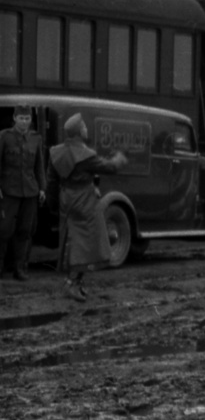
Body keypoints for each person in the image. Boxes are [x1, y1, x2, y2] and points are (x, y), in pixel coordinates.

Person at [48, 114, 127, 302]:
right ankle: (72, 283)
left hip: (67, 199)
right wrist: (120, 158)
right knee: (88, 242)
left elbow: (51, 182)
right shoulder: (85, 156)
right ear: (77, 132)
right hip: (85, 200)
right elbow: (109, 167)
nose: (86, 128)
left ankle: (75, 283)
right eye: (83, 126)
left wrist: (53, 205)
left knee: (73, 239)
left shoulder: (56, 153)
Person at [0, 106, 47, 282]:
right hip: (8, 190)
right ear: (14, 118)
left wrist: (42, 188)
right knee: (3, 230)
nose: (24, 122)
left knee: (25, 231)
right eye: (21, 118)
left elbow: (39, 166)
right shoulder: (4, 137)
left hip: (30, 191)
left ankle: (20, 269)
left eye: (27, 118)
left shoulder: (36, 139)